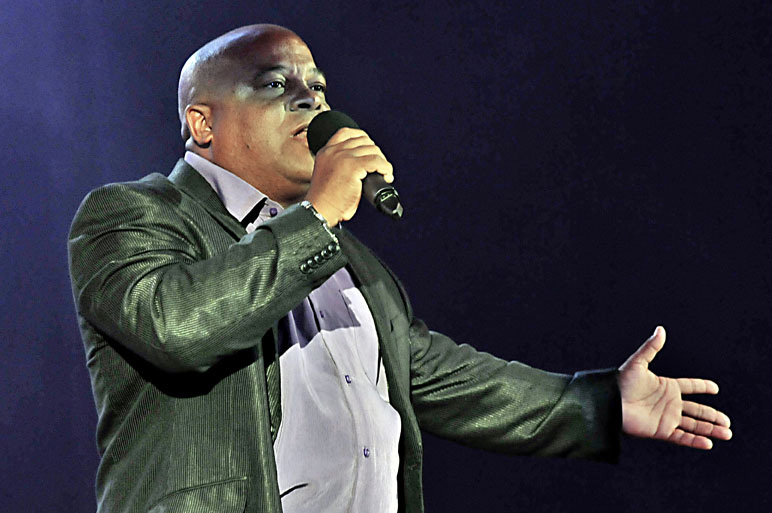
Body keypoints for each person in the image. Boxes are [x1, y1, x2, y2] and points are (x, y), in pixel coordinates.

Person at [67, 24, 732, 513]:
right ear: (201, 123)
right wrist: (319, 215)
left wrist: (601, 404)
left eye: (317, 87)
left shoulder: (346, 258)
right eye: (275, 85)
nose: (311, 102)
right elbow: (177, 327)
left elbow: (451, 380)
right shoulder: (134, 213)